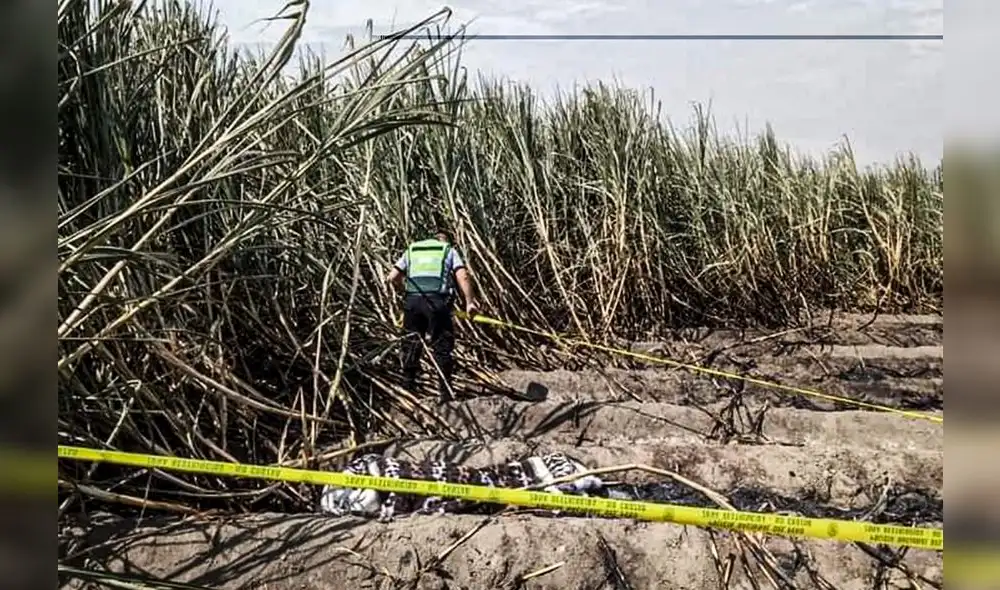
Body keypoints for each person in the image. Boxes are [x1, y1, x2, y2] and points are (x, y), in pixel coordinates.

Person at [386, 227, 479, 404]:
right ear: (445, 240)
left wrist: (407, 290)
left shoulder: (412, 250)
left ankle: (408, 389)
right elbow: (463, 276)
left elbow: (392, 277)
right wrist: (470, 302)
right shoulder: (448, 250)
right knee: (442, 346)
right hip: (437, 302)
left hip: (413, 302)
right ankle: (445, 393)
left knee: (411, 344)